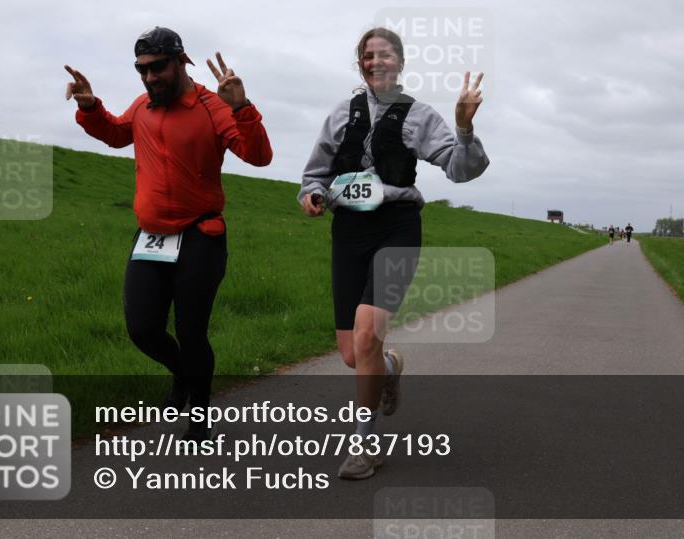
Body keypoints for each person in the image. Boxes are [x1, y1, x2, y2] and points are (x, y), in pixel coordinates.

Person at [298, 27, 489, 479]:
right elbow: (315, 174)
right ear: (360, 64)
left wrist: (463, 127)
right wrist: (311, 195)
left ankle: (364, 446)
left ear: (400, 62)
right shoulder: (341, 113)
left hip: (397, 226)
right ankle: (388, 367)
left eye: (385, 55)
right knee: (352, 353)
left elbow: (463, 169)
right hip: (348, 231)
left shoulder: (419, 116)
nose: (377, 62)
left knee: (366, 335)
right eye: (368, 56)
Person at [65, 26, 273, 440]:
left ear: (181, 61)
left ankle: (199, 413)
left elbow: (259, 157)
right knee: (142, 329)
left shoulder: (211, 106)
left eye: (157, 67)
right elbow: (116, 133)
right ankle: (182, 373)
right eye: (142, 69)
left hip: (201, 235)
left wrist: (243, 107)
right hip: (152, 237)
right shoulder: (143, 106)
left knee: (191, 331)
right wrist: (90, 107)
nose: (149, 77)